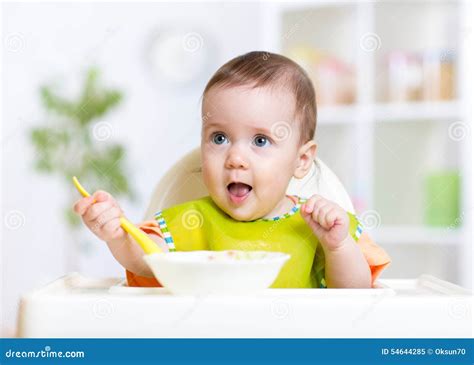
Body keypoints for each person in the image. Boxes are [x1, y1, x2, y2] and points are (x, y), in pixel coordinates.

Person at [74, 51, 391, 289]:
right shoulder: (193, 221)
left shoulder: (318, 226)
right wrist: (116, 233)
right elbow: (144, 260)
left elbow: (354, 296)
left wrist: (337, 246)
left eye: (261, 140)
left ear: (302, 160)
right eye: (219, 138)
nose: (235, 158)